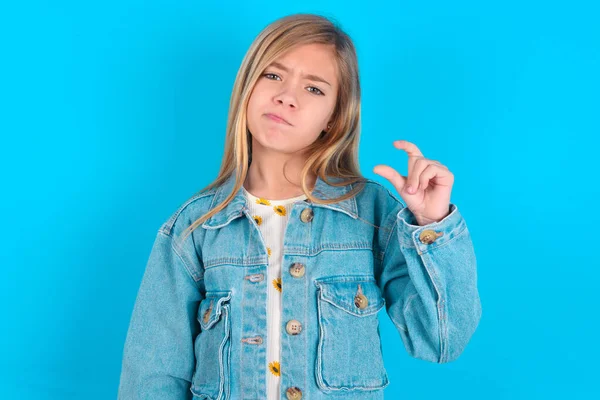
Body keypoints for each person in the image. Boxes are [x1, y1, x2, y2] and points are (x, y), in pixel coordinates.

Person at [117, 12, 482, 400]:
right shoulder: (195, 227)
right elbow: (152, 376)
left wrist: (432, 224)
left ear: (333, 118)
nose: (286, 97)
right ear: (247, 87)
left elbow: (441, 341)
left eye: (314, 89)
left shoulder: (372, 215)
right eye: (273, 75)